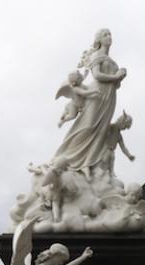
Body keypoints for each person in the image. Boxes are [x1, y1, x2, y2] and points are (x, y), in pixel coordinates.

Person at [53, 28, 127, 175]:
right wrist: (116, 77)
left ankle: (89, 163)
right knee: (87, 125)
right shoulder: (97, 55)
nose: (109, 37)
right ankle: (67, 157)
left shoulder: (112, 61)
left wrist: (121, 76)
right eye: (105, 35)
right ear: (99, 39)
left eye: (110, 34)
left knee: (101, 131)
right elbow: (97, 75)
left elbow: (116, 84)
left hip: (110, 96)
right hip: (96, 94)